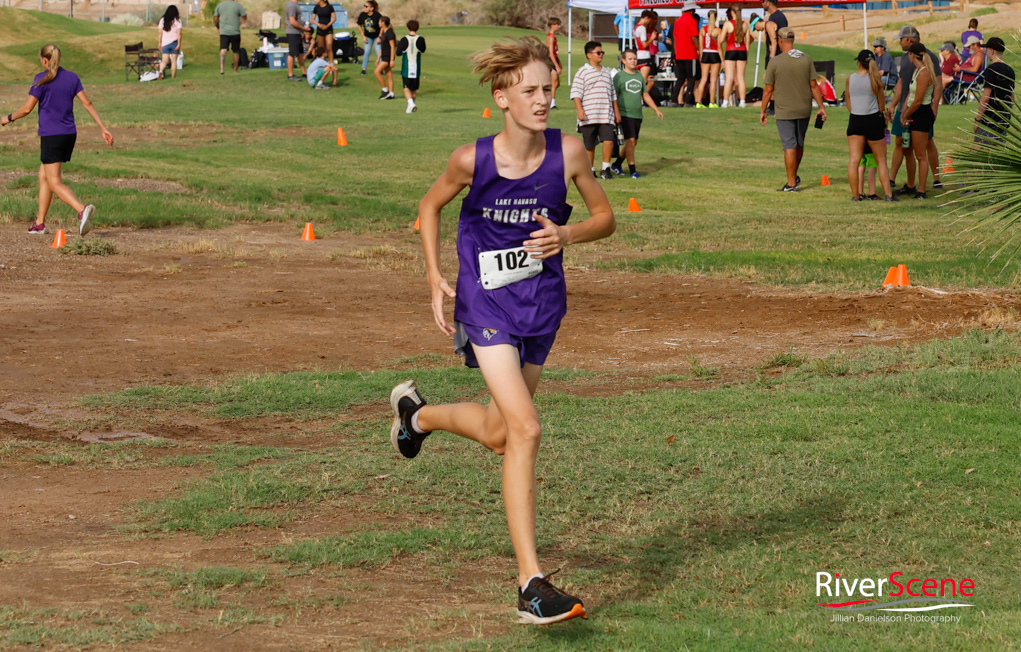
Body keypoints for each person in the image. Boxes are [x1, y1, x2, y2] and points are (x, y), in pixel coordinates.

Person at [401, 36, 615, 626]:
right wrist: (434, 275)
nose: (544, 100)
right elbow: (429, 206)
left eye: (548, 89)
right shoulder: (472, 160)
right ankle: (530, 584)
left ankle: (416, 417)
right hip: (485, 303)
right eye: (531, 91)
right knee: (526, 427)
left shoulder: (569, 154)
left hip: (541, 305)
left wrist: (566, 236)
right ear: (502, 97)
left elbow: (606, 218)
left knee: (500, 434)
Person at [1, 44, 114, 235]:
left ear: (44, 60)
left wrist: (8, 118)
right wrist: (103, 128)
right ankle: (39, 223)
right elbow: (87, 103)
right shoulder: (72, 77)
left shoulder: (41, 79)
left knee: (54, 181)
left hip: (52, 136)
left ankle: (81, 209)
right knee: (43, 175)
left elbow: (27, 109)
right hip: (69, 135)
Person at [759, 27, 826, 192]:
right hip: (804, 108)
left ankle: (791, 184)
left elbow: (768, 90)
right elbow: (814, 86)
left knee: (789, 145)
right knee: (799, 143)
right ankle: (793, 175)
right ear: (792, 40)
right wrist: (822, 107)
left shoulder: (775, 62)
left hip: (785, 110)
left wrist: (763, 110)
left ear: (780, 41)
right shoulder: (806, 59)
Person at [887, 26, 942, 195]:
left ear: (910, 40)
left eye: (901, 39)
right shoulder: (906, 60)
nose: (900, 42)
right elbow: (903, 84)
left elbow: (938, 83)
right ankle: (895, 180)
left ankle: (936, 179)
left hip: (920, 110)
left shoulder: (929, 58)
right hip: (906, 107)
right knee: (902, 144)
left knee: (925, 145)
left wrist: (934, 106)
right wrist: (894, 104)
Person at [845, 50, 894, 202]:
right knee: (881, 161)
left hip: (856, 120)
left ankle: (855, 195)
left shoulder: (850, 79)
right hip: (873, 120)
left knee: (854, 160)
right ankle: (888, 195)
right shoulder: (875, 79)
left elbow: (848, 102)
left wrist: (857, 111)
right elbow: (881, 104)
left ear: (858, 63)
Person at [611, 49, 664, 178]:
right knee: (631, 140)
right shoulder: (619, 77)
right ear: (623, 61)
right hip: (625, 114)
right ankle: (633, 170)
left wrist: (656, 109)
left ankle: (617, 164)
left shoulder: (639, 76)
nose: (633, 61)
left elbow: (645, 95)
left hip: (637, 114)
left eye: (635, 58)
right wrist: (615, 113)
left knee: (633, 143)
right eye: (630, 59)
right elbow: (614, 97)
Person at [571, 41, 618, 180]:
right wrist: (580, 110)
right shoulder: (582, 72)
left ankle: (605, 168)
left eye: (602, 52)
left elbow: (613, 94)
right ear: (589, 55)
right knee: (590, 145)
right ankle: (589, 170)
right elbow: (576, 93)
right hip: (589, 115)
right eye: (598, 52)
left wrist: (616, 112)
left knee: (609, 140)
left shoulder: (606, 72)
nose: (601, 55)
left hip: (606, 114)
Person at [900, 42, 937, 199]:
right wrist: (903, 113)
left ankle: (921, 190)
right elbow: (911, 94)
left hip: (921, 112)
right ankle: (911, 185)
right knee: (909, 149)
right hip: (914, 111)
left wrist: (906, 114)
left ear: (912, 55)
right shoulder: (917, 71)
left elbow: (918, 100)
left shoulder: (924, 73)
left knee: (921, 154)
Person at [973, 37, 1014, 145]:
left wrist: (977, 120)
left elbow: (985, 98)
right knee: (997, 151)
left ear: (992, 51)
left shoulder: (991, 70)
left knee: (979, 148)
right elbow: (1011, 98)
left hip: (990, 119)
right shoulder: (1010, 70)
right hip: (1003, 120)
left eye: (987, 50)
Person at [719, 4, 750, 108]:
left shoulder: (728, 24)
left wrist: (727, 38)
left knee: (729, 78)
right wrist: (747, 56)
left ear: (732, 12)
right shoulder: (745, 24)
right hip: (742, 51)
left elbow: (721, 40)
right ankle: (742, 101)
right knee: (741, 78)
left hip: (731, 50)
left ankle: (725, 102)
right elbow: (747, 42)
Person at [670, 1, 699, 107]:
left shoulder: (677, 21)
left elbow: (675, 38)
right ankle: (687, 101)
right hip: (690, 54)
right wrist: (699, 49)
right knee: (691, 78)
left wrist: (676, 53)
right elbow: (694, 37)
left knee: (680, 78)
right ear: (691, 10)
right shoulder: (692, 21)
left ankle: (673, 100)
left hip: (679, 54)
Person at [397, 20, 426, 114]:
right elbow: (423, 49)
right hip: (417, 68)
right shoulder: (421, 39)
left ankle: (411, 103)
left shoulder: (404, 39)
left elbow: (398, 53)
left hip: (406, 68)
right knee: (414, 89)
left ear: (408, 28)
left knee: (406, 87)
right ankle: (410, 108)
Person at [694, 9, 722, 108]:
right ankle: (712, 102)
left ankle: (698, 102)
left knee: (703, 78)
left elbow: (701, 47)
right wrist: (722, 60)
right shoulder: (718, 30)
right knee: (713, 79)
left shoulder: (702, 30)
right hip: (714, 54)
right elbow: (719, 46)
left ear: (707, 17)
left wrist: (701, 57)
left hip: (705, 53)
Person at [214, 0, 246, 75]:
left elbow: (216, 19)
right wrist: (240, 23)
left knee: (223, 49)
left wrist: (218, 27)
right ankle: (235, 70)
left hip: (224, 32)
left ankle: (222, 69)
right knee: (236, 51)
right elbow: (244, 17)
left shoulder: (220, 5)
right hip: (235, 31)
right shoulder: (238, 5)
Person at [285, 0, 313, 81]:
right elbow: (292, 21)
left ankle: (305, 73)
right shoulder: (291, 6)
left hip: (298, 32)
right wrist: (304, 29)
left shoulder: (296, 5)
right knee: (292, 53)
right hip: (293, 32)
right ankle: (290, 74)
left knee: (300, 53)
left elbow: (298, 20)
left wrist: (305, 25)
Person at [156, 5, 183, 80]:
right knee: (174, 61)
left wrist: (159, 43)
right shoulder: (177, 21)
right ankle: (173, 77)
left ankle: (161, 72)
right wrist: (179, 44)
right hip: (174, 42)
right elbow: (179, 33)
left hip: (165, 43)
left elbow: (159, 32)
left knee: (164, 60)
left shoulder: (162, 20)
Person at [373, 16, 396, 100]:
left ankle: (385, 90)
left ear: (383, 22)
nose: (378, 23)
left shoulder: (390, 33)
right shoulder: (384, 32)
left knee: (377, 72)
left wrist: (392, 59)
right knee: (388, 75)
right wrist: (378, 58)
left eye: (379, 22)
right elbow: (383, 47)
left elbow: (392, 46)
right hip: (384, 55)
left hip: (388, 57)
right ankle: (391, 93)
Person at [758, 0, 787, 66]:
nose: (762, 3)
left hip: (777, 56)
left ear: (768, 3)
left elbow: (776, 40)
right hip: (775, 56)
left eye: (763, 1)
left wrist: (771, 59)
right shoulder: (773, 17)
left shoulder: (779, 17)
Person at [356, 0, 381, 76]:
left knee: (378, 52)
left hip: (377, 36)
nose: (364, 8)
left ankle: (381, 69)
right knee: (366, 52)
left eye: (366, 6)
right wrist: (363, 36)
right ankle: (364, 69)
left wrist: (380, 37)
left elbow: (382, 27)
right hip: (368, 36)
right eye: (364, 6)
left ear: (372, 8)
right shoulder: (362, 15)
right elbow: (359, 25)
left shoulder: (377, 15)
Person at [634, 10, 655, 90]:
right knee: (644, 80)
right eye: (650, 20)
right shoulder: (642, 28)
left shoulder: (636, 27)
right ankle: (641, 98)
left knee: (640, 80)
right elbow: (644, 44)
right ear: (646, 18)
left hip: (639, 55)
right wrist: (652, 38)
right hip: (644, 56)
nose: (650, 22)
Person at [311, 0, 336, 65]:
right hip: (320, 29)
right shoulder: (316, 7)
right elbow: (313, 19)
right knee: (321, 48)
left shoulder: (329, 7)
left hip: (328, 29)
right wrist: (319, 25)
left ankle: (331, 64)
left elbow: (334, 18)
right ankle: (322, 64)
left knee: (329, 46)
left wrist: (327, 25)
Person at [546, 18, 563, 110]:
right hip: (551, 61)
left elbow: (555, 52)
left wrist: (559, 62)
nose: (559, 26)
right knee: (554, 83)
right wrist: (556, 65)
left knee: (557, 84)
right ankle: (552, 103)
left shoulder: (553, 37)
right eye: (557, 24)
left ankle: (549, 100)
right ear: (553, 25)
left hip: (554, 59)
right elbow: (551, 53)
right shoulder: (551, 37)